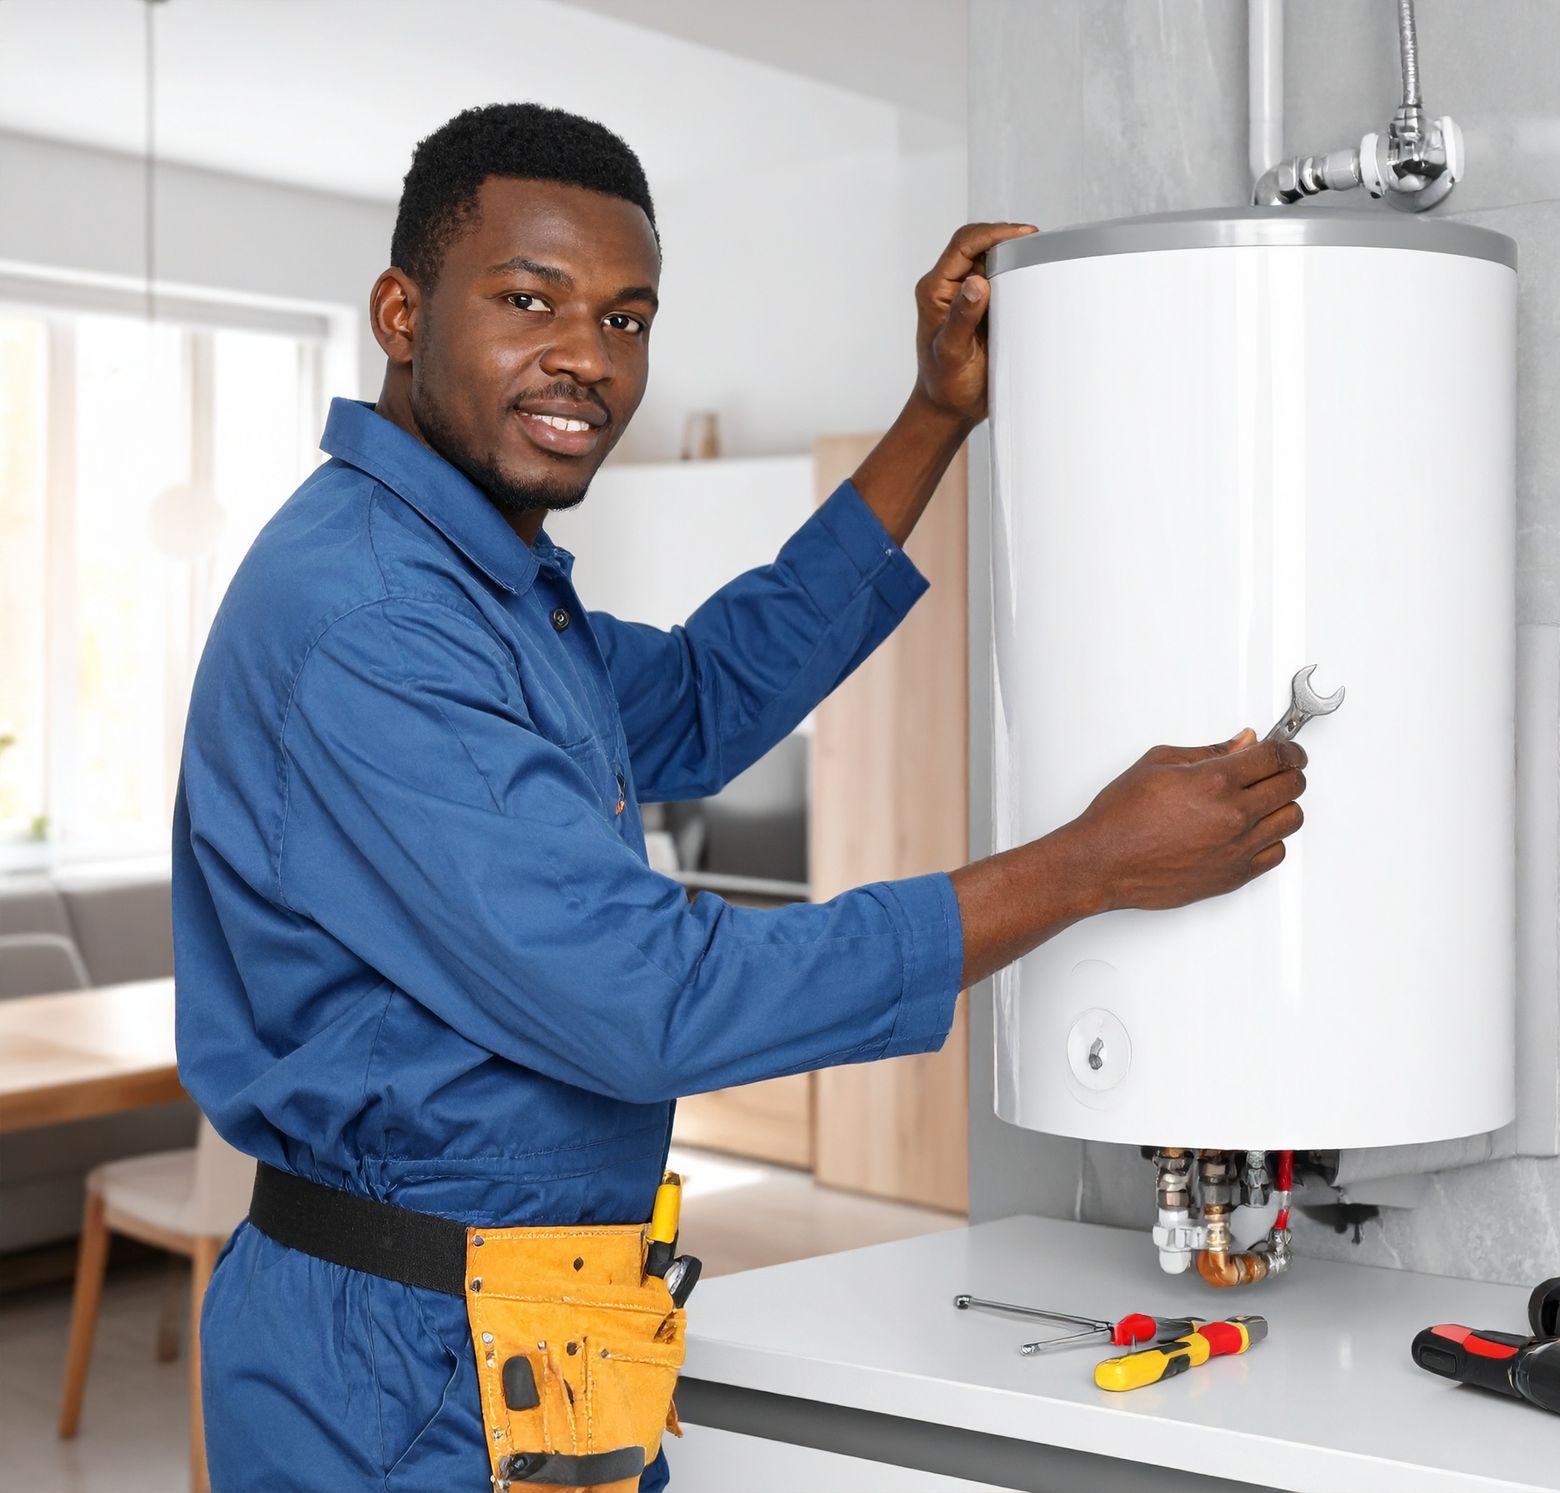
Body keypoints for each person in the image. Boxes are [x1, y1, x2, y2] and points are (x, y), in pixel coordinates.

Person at [174, 103, 1308, 1492]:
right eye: (530, 301)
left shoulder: (483, 593)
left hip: (523, 1331)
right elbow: (650, 997)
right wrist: (1085, 868)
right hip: (403, 1366)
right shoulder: (376, 620)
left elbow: (708, 694)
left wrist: (936, 416)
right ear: (402, 312)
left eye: (627, 317)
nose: (586, 358)